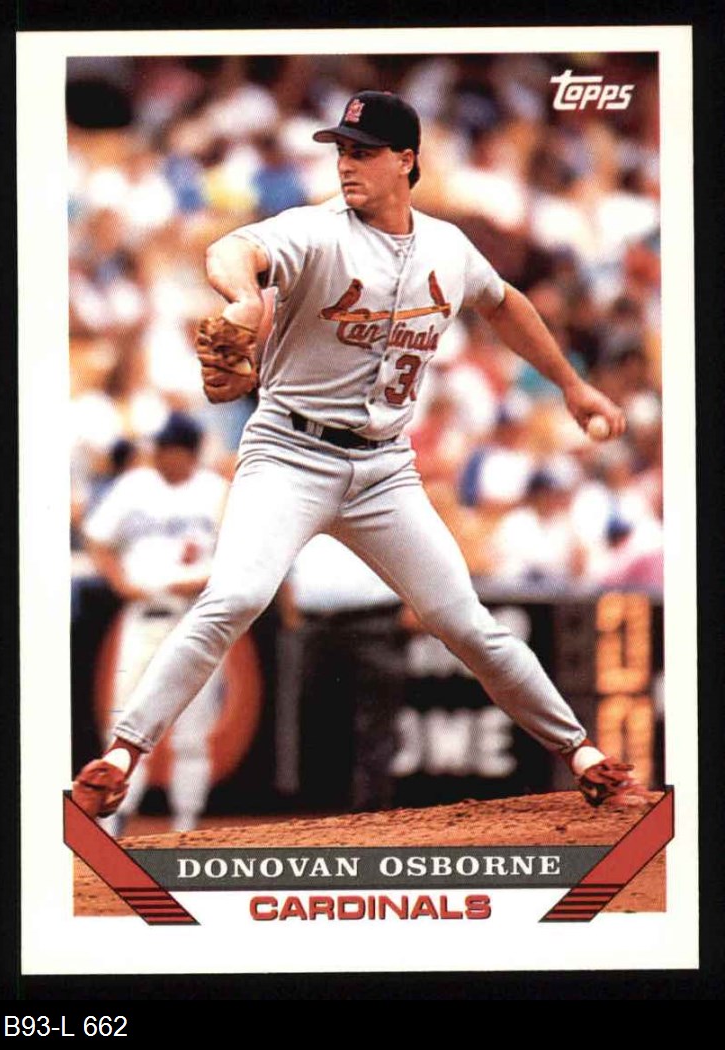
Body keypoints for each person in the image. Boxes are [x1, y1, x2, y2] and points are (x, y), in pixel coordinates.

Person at [73, 91, 650, 819]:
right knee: (236, 597)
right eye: (342, 150)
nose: (347, 164)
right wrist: (245, 300)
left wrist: (571, 385)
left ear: (406, 160)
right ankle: (121, 754)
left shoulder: (447, 247)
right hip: (289, 452)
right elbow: (232, 251)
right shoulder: (316, 231)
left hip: (384, 469)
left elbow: (504, 302)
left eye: (364, 152)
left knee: (463, 619)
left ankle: (585, 757)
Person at [81, 412, 229, 833]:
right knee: (123, 723)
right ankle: (113, 823)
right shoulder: (136, 486)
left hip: (196, 618)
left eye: (169, 448)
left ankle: (185, 826)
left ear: (189, 452)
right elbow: (97, 538)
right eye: (159, 447)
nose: (161, 454)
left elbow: (238, 558)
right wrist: (120, 581)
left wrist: (203, 580)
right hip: (144, 615)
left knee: (192, 731)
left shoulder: (217, 491)